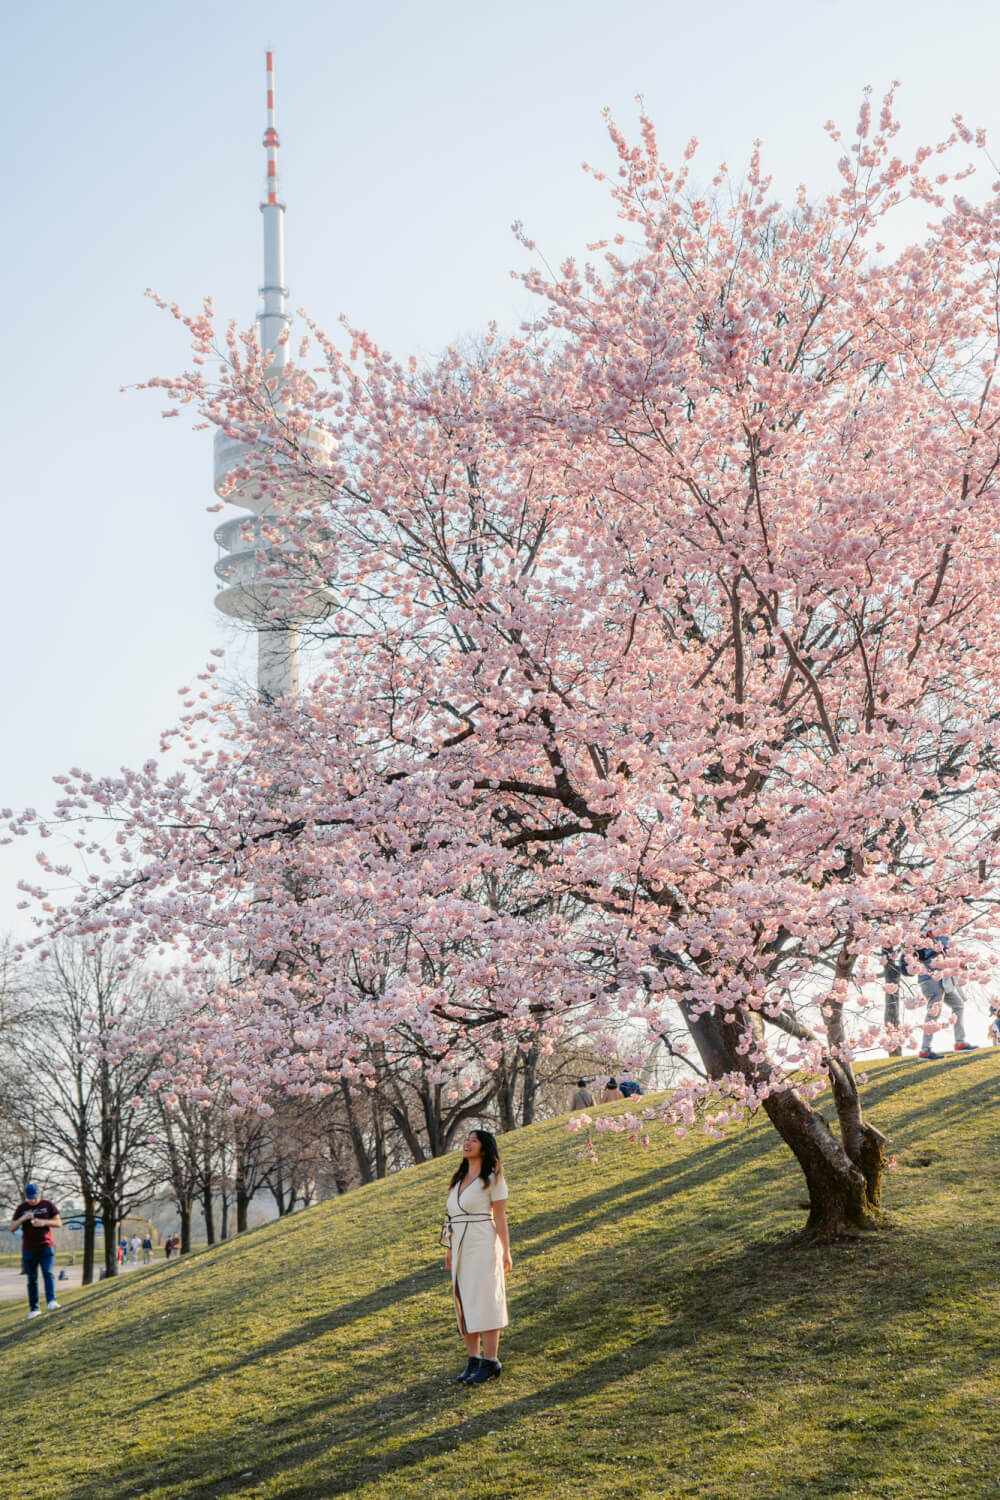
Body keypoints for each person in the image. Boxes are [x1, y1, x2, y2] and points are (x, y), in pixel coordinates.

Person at [442, 1129, 512, 1386]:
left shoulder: (493, 1179)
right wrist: (449, 1248)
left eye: (474, 1140)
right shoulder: (458, 1180)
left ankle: (491, 1360)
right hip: (460, 1246)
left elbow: (501, 1217)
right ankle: (473, 1358)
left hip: (483, 1243)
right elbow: (450, 1218)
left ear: (484, 1148)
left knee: (485, 1297)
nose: (467, 1143)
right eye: (466, 1139)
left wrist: (506, 1251)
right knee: (464, 1298)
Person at [913, 935, 977, 1059]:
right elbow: (925, 956)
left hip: (943, 979)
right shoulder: (929, 937)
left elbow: (950, 956)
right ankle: (925, 1050)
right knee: (933, 1012)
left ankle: (960, 1043)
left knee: (958, 1005)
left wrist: (960, 963)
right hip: (931, 979)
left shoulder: (944, 937)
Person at [10, 1182, 62, 1321]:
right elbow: (12, 1227)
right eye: (30, 1198)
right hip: (29, 1249)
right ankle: (34, 1309)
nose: (33, 1201)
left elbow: (58, 1222)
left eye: (35, 1198)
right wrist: (23, 1218)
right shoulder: (21, 1208)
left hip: (46, 1246)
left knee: (48, 1273)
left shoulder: (48, 1205)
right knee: (32, 1279)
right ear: (26, 1196)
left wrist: (44, 1222)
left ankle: (51, 1301)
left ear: (40, 1195)